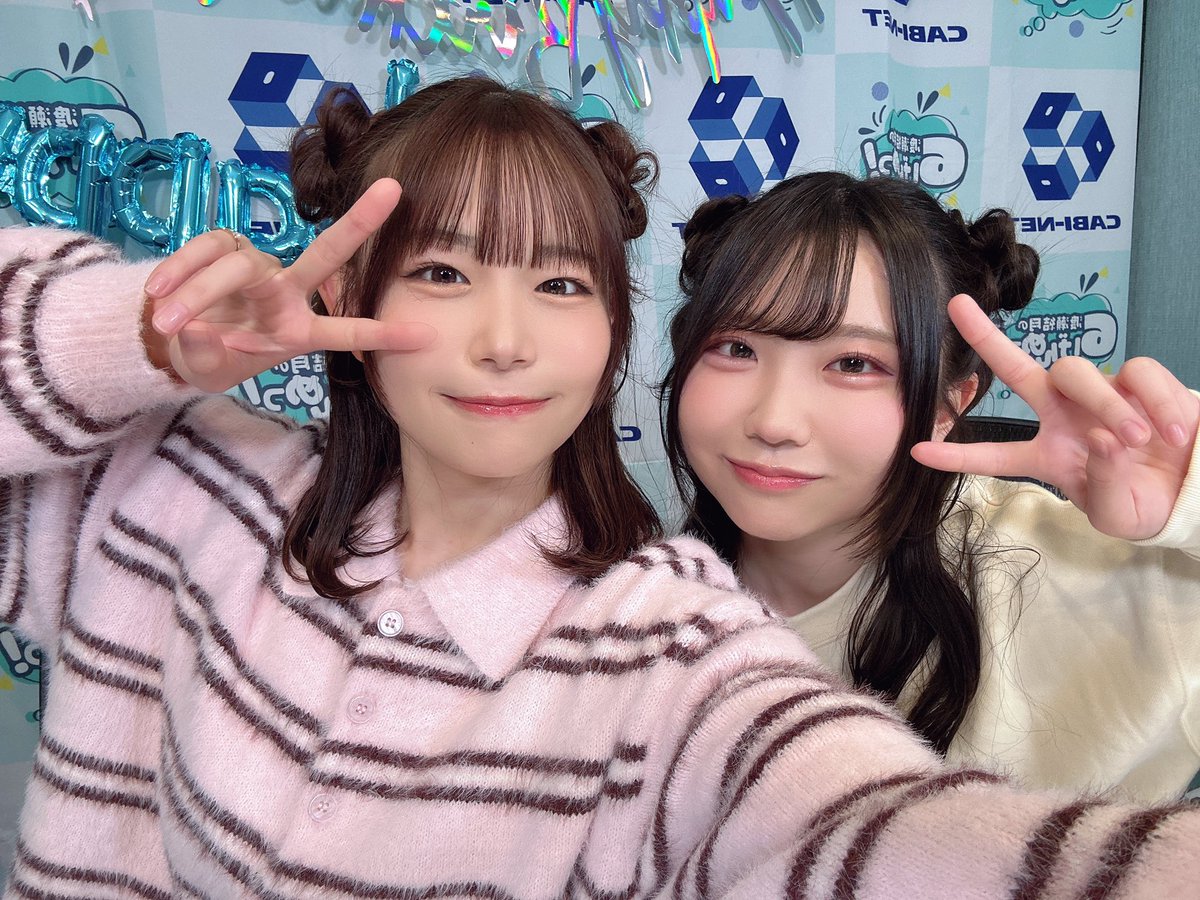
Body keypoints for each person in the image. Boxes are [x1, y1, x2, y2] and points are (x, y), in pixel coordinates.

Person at [4, 81, 1200, 898]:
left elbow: (864, 824)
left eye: (562, 285)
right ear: (347, 294)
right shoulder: (178, 490)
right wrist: (133, 340)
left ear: (611, 330)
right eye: (442, 271)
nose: (505, 341)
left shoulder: (665, 644)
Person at [662, 170, 1200, 805]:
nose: (774, 422)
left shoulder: (1097, 582)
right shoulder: (637, 606)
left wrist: (1190, 496)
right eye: (735, 348)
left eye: (854, 364)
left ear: (951, 404)